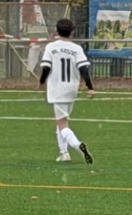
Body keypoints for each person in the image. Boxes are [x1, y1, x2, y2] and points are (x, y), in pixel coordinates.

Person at [38, 17, 94, 163]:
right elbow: (83, 68)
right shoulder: (76, 49)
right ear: (72, 32)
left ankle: (78, 145)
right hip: (71, 89)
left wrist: (41, 81)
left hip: (57, 89)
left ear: (57, 31)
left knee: (62, 125)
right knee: (62, 121)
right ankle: (64, 153)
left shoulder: (51, 47)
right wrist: (90, 87)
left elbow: (46, 67)